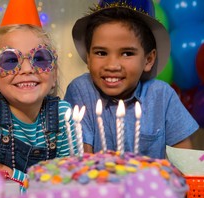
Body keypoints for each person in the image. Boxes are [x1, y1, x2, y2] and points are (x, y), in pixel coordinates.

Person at [64, 0, 199, 159]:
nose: (112, 65)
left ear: (148, 60)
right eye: (101, 53)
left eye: (127, 53)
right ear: (88, 57)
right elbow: (81, 159)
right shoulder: (81, 90)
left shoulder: (162, 96)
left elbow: (185, 160)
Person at [0, 0, 77, 185]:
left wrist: (11, 174)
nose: (27, 69)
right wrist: (41, 183)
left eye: (40, 59)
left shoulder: (63, 114)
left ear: (54, 75)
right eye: (10, 60)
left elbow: (70, 183)